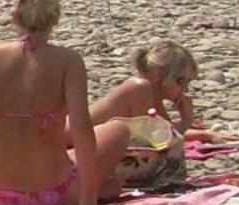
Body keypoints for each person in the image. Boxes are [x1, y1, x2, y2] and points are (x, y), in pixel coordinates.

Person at [0, 0, 123, 205]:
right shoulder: (68, 61)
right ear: (56, 20)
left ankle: (103, 186)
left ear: (14, 17)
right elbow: (81, 127)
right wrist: (88, 197)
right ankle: (100, 187)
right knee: (119, 129)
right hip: (56, 193)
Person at [87, 40, 214, 194]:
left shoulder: (151, 94)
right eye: (181, 81)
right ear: (160, 74)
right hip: (63, 150)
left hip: (81, 149)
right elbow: (159, 140)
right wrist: (186, 120)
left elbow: (165, 130)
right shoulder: (139, 88)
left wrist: (206, 135)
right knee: (166, 161)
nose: (185, 89)